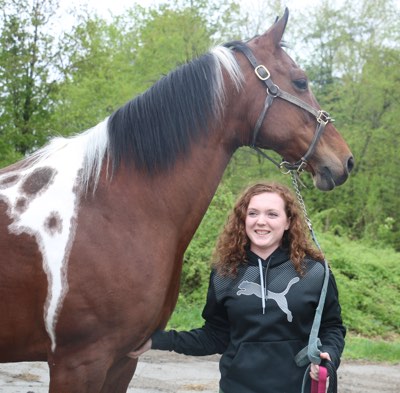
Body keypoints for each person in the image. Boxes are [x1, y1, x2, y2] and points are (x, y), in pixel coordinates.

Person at [128, 182, 345, 393]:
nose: (261, 221)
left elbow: (332, 327)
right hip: (237, 387)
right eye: (253, 213)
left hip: (297, 387)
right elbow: (215, 336)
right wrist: (157, 340)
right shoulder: (225, 274)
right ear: (243, 219)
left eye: (272, 214)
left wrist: (328, 355)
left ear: (288, 221)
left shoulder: (315, 272)